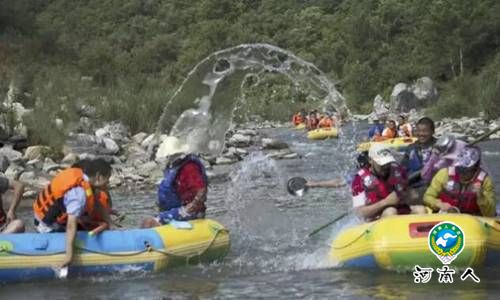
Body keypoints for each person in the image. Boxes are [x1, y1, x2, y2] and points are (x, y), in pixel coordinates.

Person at [33, 158, 112, 267]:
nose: (108, 183)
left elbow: (97, 203)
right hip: (47, 225)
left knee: (89, 224)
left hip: (55, 217)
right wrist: (69, 256)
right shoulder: (78, 195)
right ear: (98, 177)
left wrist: (109, 223)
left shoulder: (84, 179)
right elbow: (71, 225)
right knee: (84, 228)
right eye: (107, 179)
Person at [351, 144, 426, 221]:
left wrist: (409, 196)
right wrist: (385, 202)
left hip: (401, 210)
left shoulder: (397, 170)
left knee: (421, 210)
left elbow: (410, 194)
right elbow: (359, 212)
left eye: (387, 163)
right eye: (382, 164)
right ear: (371, 160)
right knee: (391, 211)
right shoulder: (359, 180)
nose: (386, 167)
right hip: (377, 217)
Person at [142, 142, 208, 228]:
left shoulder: (189, 168)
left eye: (169, 155)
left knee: (149, 223)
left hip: (192, 211)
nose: (168, 157)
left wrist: (187, 210)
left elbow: (201, 191)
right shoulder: (174, 167)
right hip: (177, 208)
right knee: (147, 222)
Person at [423, 146, 495, 216]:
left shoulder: (485, 181)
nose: (461, 173)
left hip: (471, 219)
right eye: (459, 168)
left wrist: (481, 196)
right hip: (445, 214)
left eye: (465, 170)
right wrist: (439, 204)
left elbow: (490, 213)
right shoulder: (444, 174)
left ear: (475, 168)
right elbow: (427, 197)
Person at [402, 117, 437, 188]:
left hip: (434, 185)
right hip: (414, 184)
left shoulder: (440, 147)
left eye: (425, 131)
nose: (421, 134)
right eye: (418, 131)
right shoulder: (411, 148)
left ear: (433, 132)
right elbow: (403, 168)